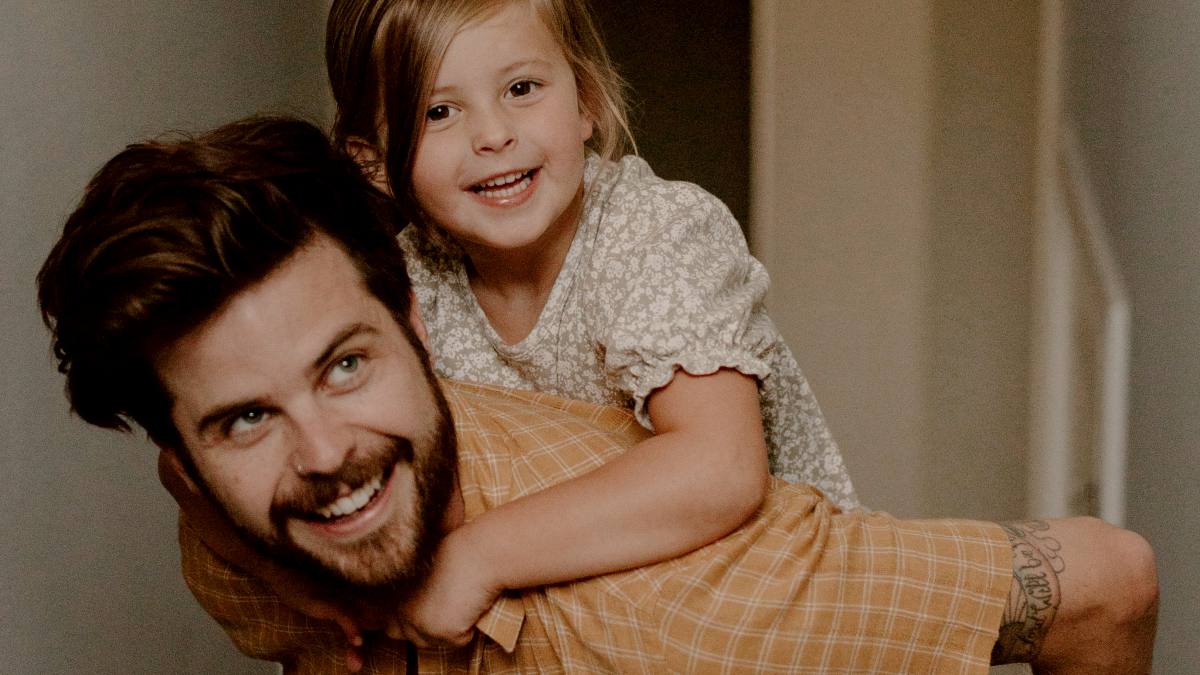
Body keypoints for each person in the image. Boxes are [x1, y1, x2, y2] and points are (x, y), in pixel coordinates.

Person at [38, 117, 1158, 673]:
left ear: (418, 328)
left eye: (345, 365)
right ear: (184, 463)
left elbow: (1107, 582)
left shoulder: (689, 609)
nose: (326, 453)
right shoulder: (227, 539)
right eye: (245, 418)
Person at [316, 0, 856, 642]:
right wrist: (314, 593)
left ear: (586, 103)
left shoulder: (654, 232)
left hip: (768, 607)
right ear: (373, 160)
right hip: (593, 621)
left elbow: (720, 469)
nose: (493, 134)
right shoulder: (405, 281)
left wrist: (479, 558)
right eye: (439, 112)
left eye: (521, 88)